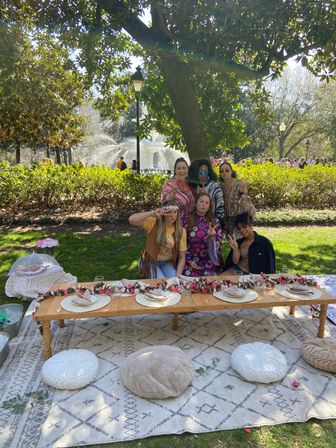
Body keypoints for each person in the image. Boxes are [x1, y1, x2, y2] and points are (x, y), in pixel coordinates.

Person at [128, 202, 186, 279]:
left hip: (167, 262)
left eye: (175, 212)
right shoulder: (153, 223)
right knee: (161, 282)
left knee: (173, 281)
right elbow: (132, 220)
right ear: (163, 213)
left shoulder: (181, 231)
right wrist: (153, 212)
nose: (172, 215)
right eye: (169, 212)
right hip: (150, 261)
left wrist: (178, 276)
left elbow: (182, 257)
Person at [182, 193, 223, 277]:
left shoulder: (215, 221)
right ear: (196, 203)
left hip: (209, 261)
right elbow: (181, 242)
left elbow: (219, 243)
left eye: (207, 203)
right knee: (189, 283)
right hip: (190, 260)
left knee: (208, 283)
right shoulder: (186, 219)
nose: (203, 204)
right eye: (201, 201)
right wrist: (189, 260)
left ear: (209, 207)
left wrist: (212, 237)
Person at [219, 161, 255, 237]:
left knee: (241, 241)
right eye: (221, 171)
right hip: (228, 219)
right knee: (232, 243)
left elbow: (245, 202)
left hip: (240, 218)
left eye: (227, 170)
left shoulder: (239, 184)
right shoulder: (220, 185)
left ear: (231, 171)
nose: (224, 172)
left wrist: (241, 193)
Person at [188, 158, 225, 229]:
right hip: (196, 222)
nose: (203, 175)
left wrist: (218, 224)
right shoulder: (194, 186)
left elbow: (220, 206)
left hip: (212, 223)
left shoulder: (214, 186)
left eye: (205, 172)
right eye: (200, 172)